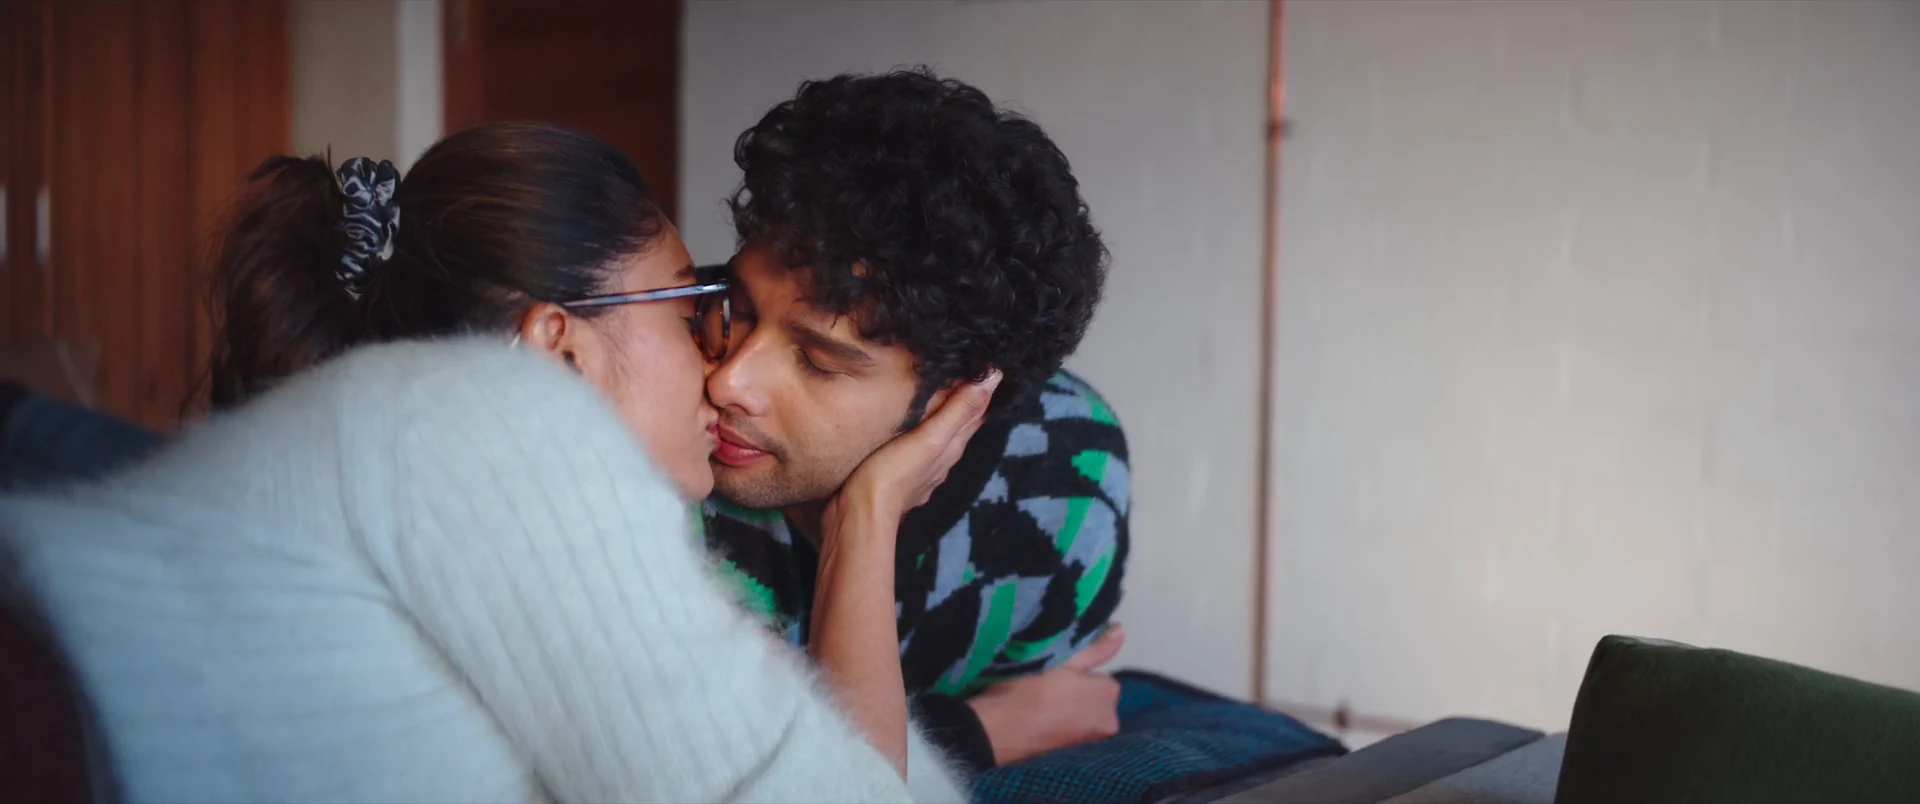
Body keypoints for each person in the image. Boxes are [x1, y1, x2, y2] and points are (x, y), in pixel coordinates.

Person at [0, 122, 977, 802]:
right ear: (558, 345)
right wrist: (867, 517)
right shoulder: (497, 427)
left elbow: (815, 762)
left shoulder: (456, 448)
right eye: (692, 314)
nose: (721, 373)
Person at [700, 68, 1132, 770]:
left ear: (957, 395)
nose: (727, 379)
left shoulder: (1065, 472)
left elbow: (1069, 716)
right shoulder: (661, 448)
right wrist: (977, 733)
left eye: (817, 360)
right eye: (737, 309)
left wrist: (862, 514)